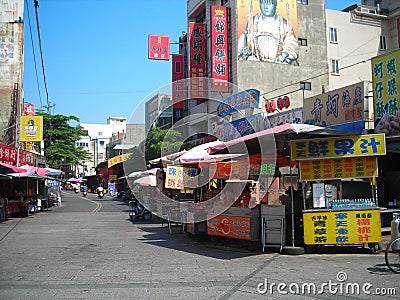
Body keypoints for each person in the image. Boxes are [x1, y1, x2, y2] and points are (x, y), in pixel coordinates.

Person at [238, 0, 299, 65]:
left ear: (275, 5)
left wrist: (285, 54)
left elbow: (292, 42)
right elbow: (244, 40)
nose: (265, 7)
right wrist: (244, 49)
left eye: (269, 4)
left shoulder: (283, 24)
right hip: (256, 61)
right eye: (262, 3)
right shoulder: (253, 21)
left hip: (279, 61)